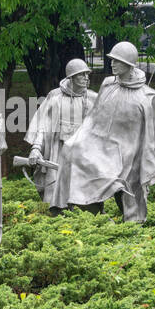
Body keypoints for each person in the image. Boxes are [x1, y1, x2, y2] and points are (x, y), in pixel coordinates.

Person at [50, 41, 155, 223]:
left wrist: (152, 159)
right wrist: (77, 140)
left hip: (129, 153)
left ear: (129, 63)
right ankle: (90, 211)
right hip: (103, 144)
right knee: (71, 151)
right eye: (111, 60)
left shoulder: (149, 97)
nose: (112, 64)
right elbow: (93, 119)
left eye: (117, 61)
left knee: (123, 175)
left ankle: (132, 221)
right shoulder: (108, 85)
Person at [24, 59, 97, 209]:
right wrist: (36, 148)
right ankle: (58, 213)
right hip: (59, 150)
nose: (86, 78)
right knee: (56, 190)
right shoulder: (55, 97)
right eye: (81, 75)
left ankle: (87, 214)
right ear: (71, 77)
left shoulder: (92, 98)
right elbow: (43, 124)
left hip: (82, 152)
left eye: (87, 74)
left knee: (84, 192)